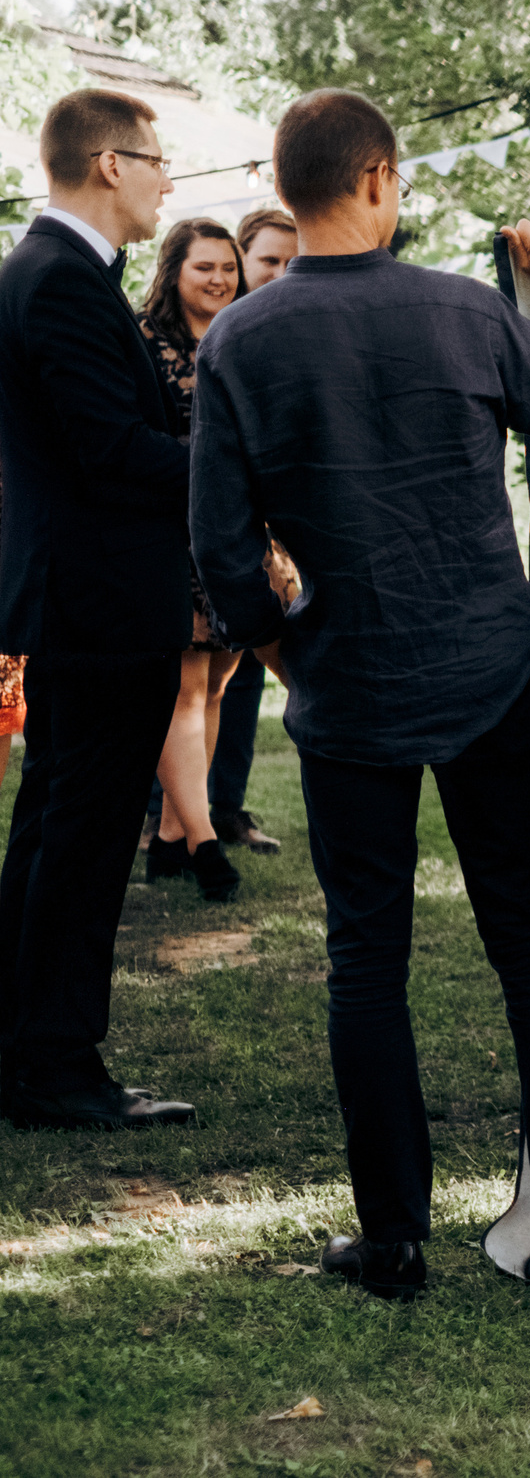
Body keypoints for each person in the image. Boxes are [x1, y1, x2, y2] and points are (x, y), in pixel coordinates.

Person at [189, 88, 530, 1299]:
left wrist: (281, 652)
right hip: (490, 668)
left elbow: (221, 549)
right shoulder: (464, 311)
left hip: (346, 680)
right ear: (380, 179)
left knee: (365, 961)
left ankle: (393, 1243)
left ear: (287, 192)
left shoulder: (240, 340)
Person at [0, 88, 197, 1133]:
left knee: (53, 827)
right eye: (158, 160)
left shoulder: (49, 270)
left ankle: (24, 1046)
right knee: (82, 838)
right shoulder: (62, 280)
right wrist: (237, 462)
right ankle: (59, 1065)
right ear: (111, 164)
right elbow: (111, 452)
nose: (169, 180)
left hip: (81, 597)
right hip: (103, 603)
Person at [134, 217, 247, 904]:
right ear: (174, 269)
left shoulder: (242, 335)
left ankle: (172, 836)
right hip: (169, 535)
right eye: (205, 266)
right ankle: (205, 844)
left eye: (228, 267)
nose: (219, 279)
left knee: (214, 690)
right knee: (181, 688)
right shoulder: (145, 340)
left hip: (236, 535)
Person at [205, 207, 300, 859]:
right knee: (192, 681)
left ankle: (226, 808)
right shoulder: (219, 328)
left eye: (294, 261)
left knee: (244, 679)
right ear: (242, 260)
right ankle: (165, 815)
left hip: (275, 533)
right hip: (211, 530)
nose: (281, 272)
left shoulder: (294, 330)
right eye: (269, 260)